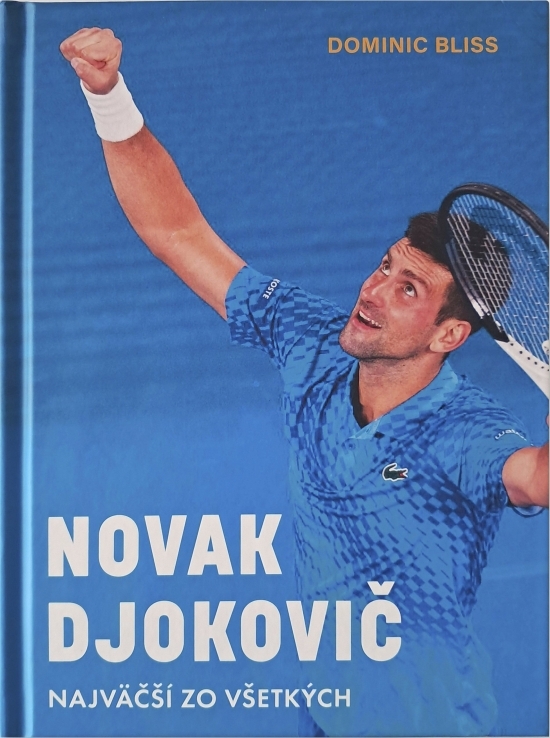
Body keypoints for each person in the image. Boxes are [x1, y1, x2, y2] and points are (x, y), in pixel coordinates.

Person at [60, 28, 548, 737]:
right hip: (327, 711)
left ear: (449, 336)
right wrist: (107, 95)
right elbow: (179, 233)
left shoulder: (465, 431)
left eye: (408, 289)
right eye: (385, 266)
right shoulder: (314, 342)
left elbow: (533, 478)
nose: (373, 290)